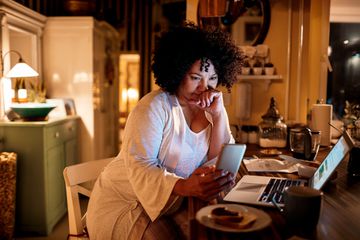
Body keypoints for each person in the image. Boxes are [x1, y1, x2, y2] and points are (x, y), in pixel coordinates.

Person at [87, 22, 244, 240]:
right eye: (195, 77)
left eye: (212, 79)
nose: (204, 88)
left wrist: (218, 116)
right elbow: (141, 166)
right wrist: (184, 185)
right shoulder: (154, 107)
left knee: (210, 233)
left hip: (172, 201)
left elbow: (218, 161)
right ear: (178, 71)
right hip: (124, 202)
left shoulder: (213, 108)